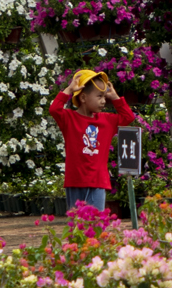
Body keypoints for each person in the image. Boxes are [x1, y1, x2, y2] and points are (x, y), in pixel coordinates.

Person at [48, 68, 133, 216]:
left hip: (98, 181)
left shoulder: (107, 120)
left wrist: (115, 97)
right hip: (75, 181)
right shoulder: (69, 118)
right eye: (99, 96)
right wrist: (69, 89)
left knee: (96, 223)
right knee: (77, 223)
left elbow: (128, 117)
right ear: (83, 98)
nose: (103, 101)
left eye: (104, 96)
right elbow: (54, 109)